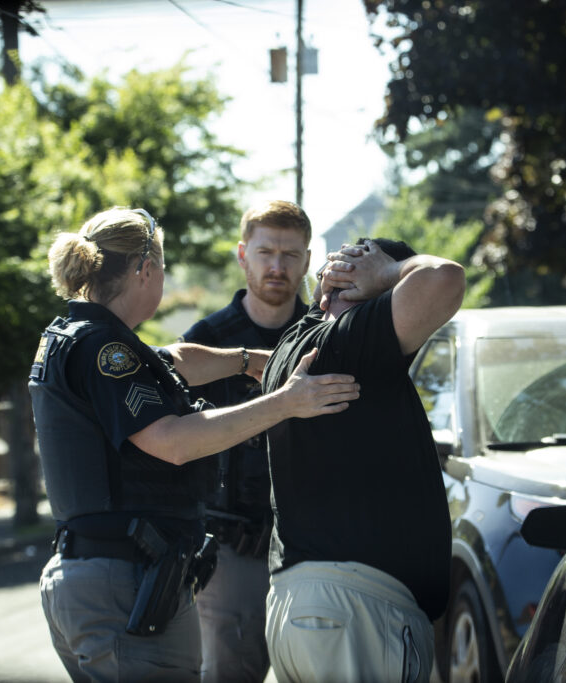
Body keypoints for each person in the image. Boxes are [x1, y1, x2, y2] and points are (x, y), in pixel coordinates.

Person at [29, 206, 359, 682]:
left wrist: (247, 360)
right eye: (161, 266)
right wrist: (287, 402)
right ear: (146, 270)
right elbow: (174, 441)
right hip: (122, 581)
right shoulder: (106, 349)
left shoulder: (77, 335)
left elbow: (174, 359)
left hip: (94, 578)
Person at [261, 237, 466, 683]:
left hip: (300, 608)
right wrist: (390, 273)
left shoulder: (295, 342)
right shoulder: (349, 344)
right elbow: (446, 279)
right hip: (353, 612)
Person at [178, 199, 311, 682]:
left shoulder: (329, 336)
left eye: (290, 255)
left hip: (314, 546)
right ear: (242, 255)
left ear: (308, 261)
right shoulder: (206, 342)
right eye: (265, 252)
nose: (277, 266)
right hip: (232, 553)